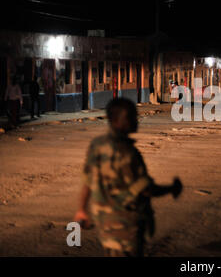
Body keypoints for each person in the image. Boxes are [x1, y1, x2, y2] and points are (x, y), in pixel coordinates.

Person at [74, 98, 183, 257]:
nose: (136, 120)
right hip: (125, 228)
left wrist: (82, 210)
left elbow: (87, 180)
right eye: (131, 116)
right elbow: (145, 190)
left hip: (104, 226)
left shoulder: (97, 145)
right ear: (117, 121)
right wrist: (172, 188)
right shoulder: (127, 153)